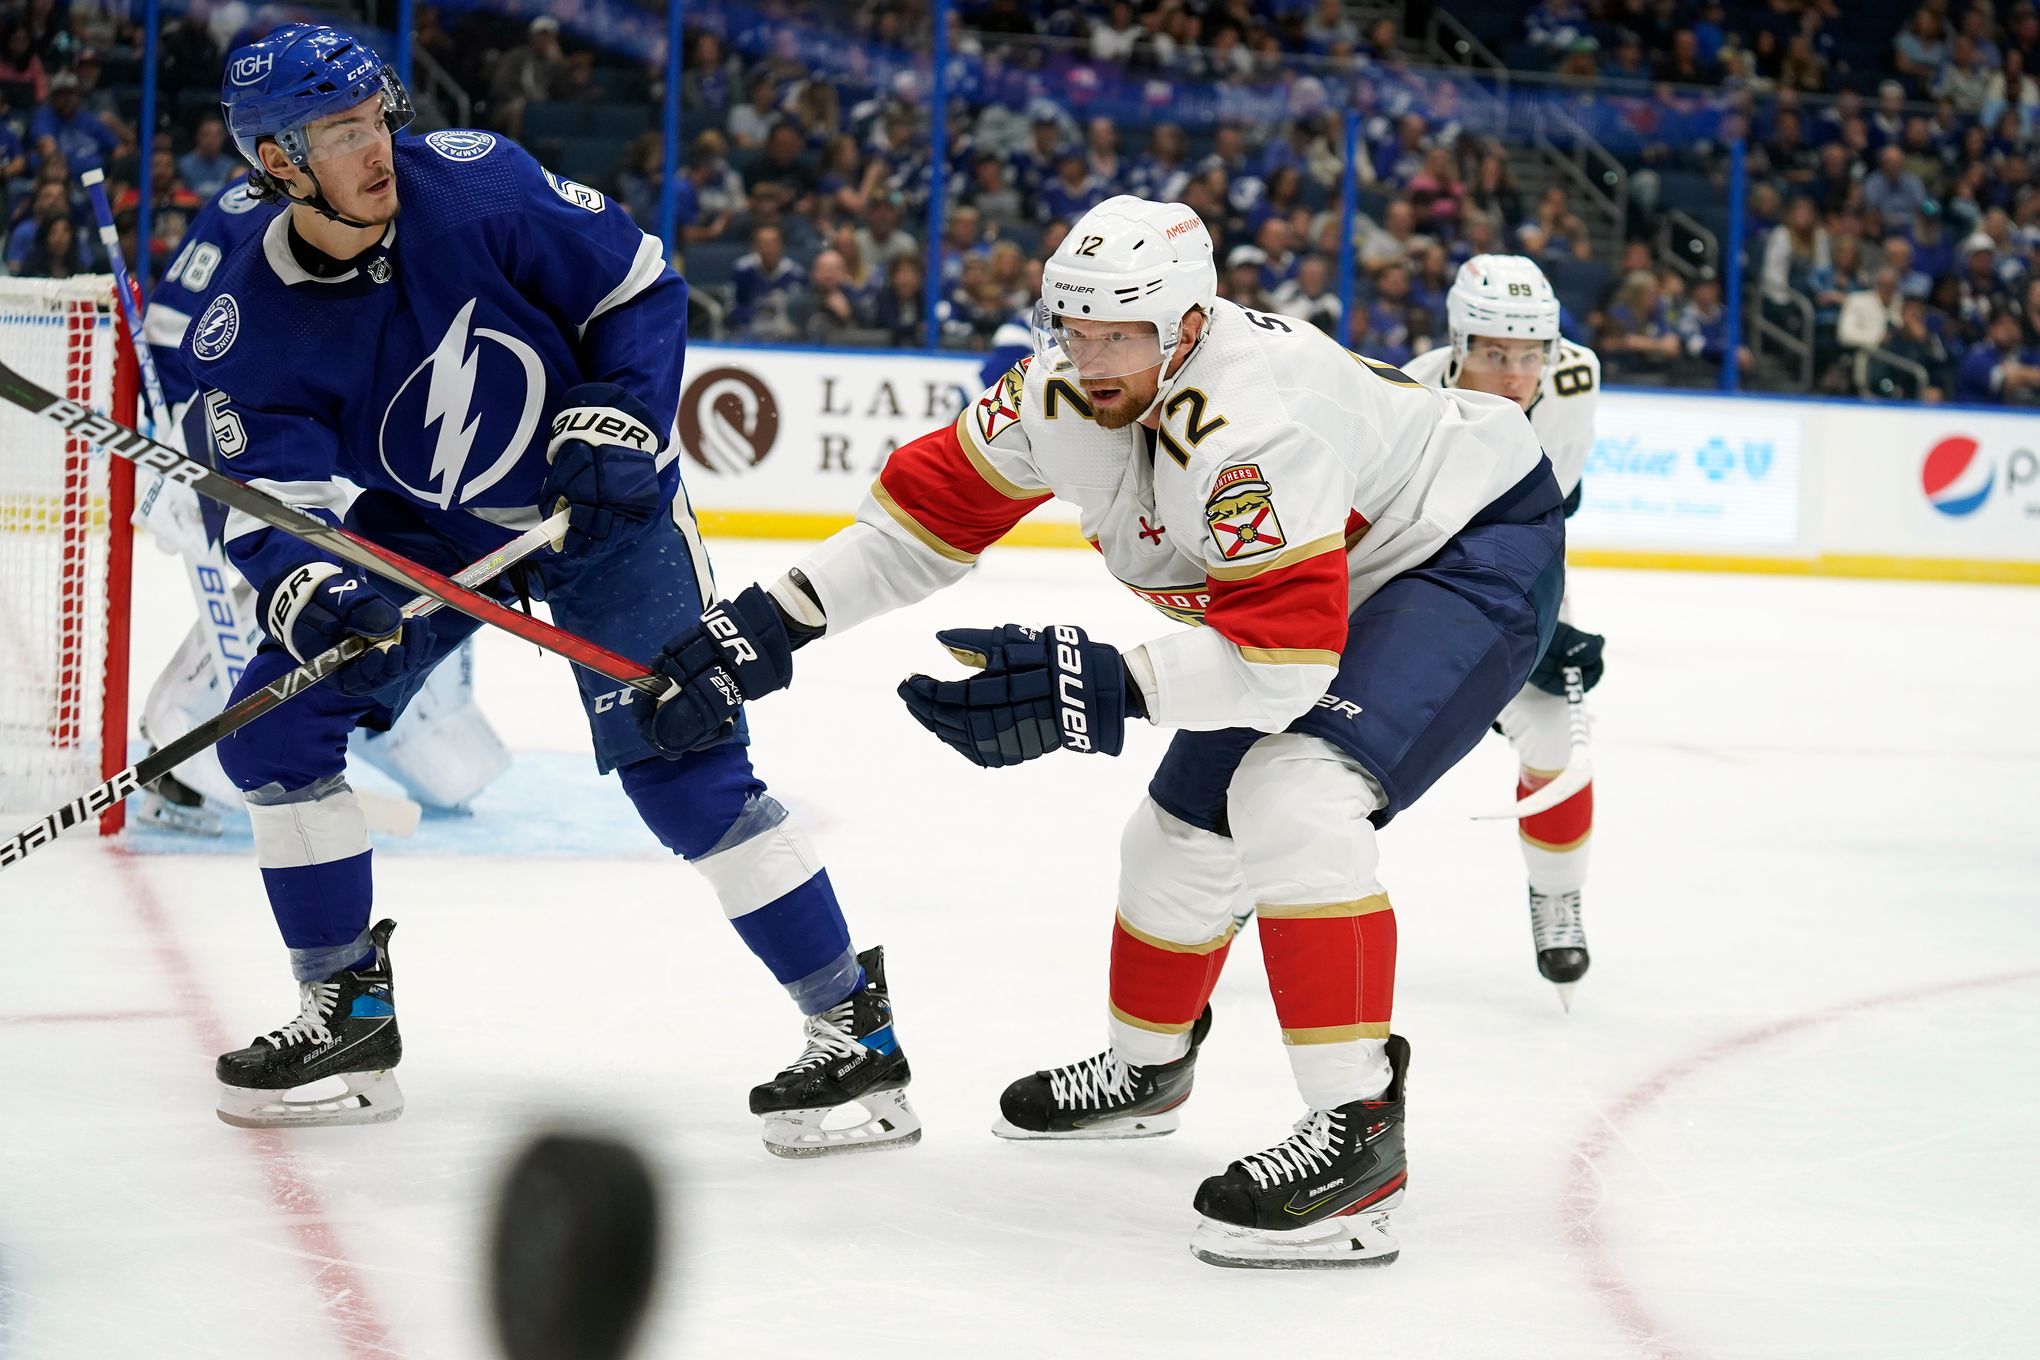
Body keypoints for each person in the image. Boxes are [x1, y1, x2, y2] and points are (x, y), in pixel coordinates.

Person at [632, 196, 1564, 1267]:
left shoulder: (1258, 424)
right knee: (1173, 835)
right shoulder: (1056, 390)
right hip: (1326, 576)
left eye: (1120, 333)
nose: (1092, 356)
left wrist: (1099, 686)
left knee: (1295, 795)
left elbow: (1282, 664)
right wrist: (769, 622)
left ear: (1187, 326)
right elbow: (915, 532)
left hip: (1460, 547)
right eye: (1072, 327)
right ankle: (1147, 1068)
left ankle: (1359, 1136)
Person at [188, 26, 918, 1156]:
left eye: (377, 115)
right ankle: (346, 1013)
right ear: (278, 164)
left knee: (685, 764)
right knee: (279, 729)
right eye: (340, 134)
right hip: (436, 522)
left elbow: (639, 285)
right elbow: (259, 501)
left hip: (601, 506)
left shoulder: (475, 185)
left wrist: (621, 408)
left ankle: (852, 1033)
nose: (378, 148)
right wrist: (322, 590)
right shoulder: (248, 323)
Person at [134, 175, 515, 838]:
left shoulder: (401, 200)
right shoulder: (241, 209)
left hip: (341, 430)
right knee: (297, 563)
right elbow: (172, 329)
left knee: (393, 551)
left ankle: (382, 703)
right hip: (232, 426)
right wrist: (180, 429)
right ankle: (189, 746)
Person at [1403, 257, 1605, 1008]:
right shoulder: (1411, 396)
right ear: (1458, 344)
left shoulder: (1575, 379)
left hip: (1525, 571)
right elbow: (1411, 539)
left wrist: (1545, 624)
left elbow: (1547, 515)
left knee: (1557, 736)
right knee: (1316, 737)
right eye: (1493, 353)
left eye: (1531, 354)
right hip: (1413, 583)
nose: (1517, 374)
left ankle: (1557, 895)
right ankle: (1249, 876)